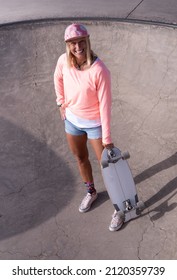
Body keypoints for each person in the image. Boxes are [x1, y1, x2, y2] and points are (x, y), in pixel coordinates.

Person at [54, 23, 123, 231]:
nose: (77, 47)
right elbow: (57, 79)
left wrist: (107, 137)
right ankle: (91, 192)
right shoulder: (63, 62)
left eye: (81, 42)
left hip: (95, 125)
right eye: (73, 43)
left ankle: (119, 208)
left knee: (108, 168)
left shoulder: (99, 70)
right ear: (68, 45)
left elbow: (105, 105)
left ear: (87, 41)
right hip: (73, 122)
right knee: (80, 158)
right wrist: (60, 103)